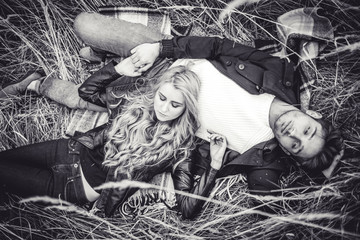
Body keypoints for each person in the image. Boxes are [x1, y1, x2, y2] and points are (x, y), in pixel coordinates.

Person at [70, 11, 343, 196]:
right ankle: (105, 56)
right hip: (166, 58)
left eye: (295, 145)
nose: (292, 133)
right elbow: (218, 47)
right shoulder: (279, 74)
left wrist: (330, 180)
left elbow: (265, 203)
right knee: (84, 25)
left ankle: (50, 79)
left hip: (153, 105)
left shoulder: (262, 157)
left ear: (288, 153)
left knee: (81, 98)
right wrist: (160, 49)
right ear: (314, 114)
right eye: (307, 130)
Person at [0, 61, 226, 219]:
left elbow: (187, 208)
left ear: (187, 107)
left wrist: (215, 165)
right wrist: (118, 69)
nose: (164, 108)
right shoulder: (133, 106)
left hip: (74, 187)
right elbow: (86, 92)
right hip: (67, 150)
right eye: (162, 97)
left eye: (175, 105)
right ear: (156, 91)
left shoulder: (181, 148)